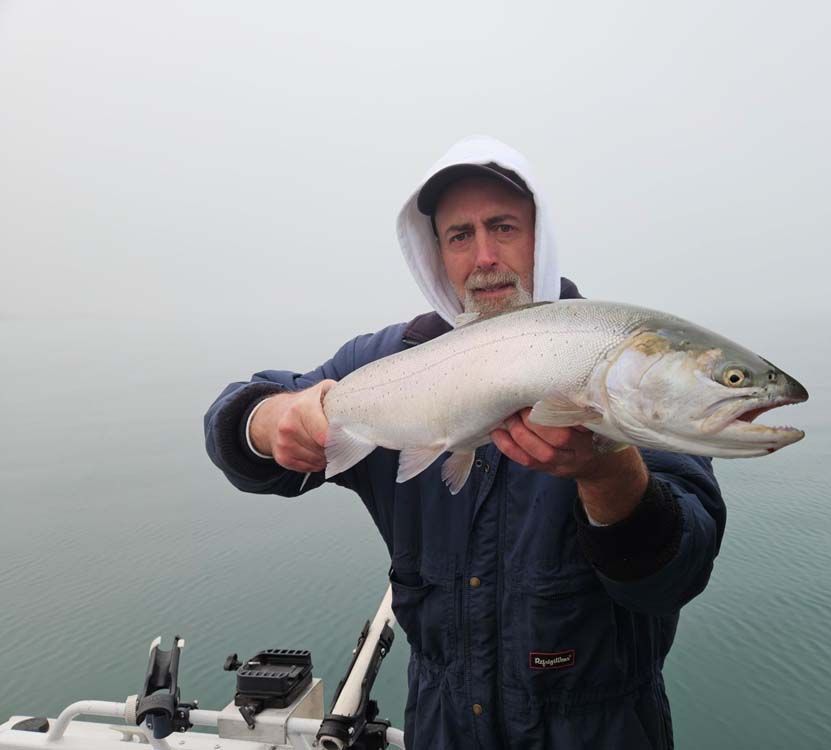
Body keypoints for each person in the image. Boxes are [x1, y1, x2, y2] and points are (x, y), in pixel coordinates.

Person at [204, 135, 726, 749]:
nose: (483, 256)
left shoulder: (615, 359)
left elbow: (677, 573)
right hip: (443, 727)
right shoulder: (391, 361)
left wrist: (608, 473)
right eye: (459, 235)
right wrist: (276, 419)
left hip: (603, 728)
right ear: (436, 254)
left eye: (503, 227)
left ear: (541, 236)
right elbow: (236, 430)